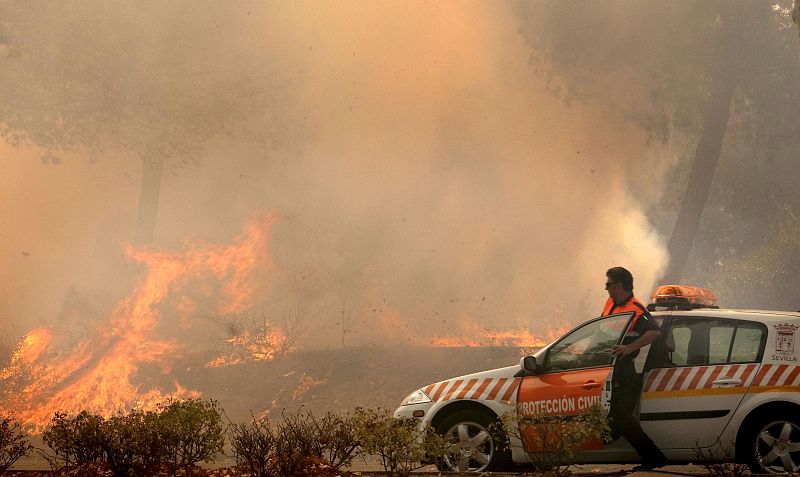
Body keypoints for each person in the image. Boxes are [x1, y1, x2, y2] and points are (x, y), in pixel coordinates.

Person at [602, 266, 667, 471]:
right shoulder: (610, 304)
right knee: (612, 417)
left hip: (625, 372)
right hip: (607, 370)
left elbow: (654, 333)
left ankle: (654, 456)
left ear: (620, 285)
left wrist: (629, 348)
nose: (606, 289)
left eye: (609, 285)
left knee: (621, 417)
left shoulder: (636, 309)